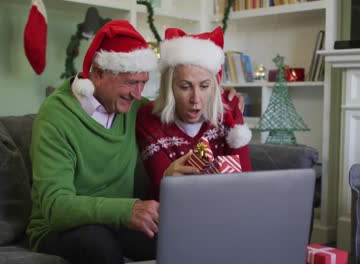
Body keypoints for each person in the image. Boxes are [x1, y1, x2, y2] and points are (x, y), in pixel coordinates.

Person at [27, 20, 242, 264]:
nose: (138, 94)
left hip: (119, 222)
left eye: (143, 83)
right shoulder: (56, 116)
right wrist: (128, 210)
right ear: (98, 73)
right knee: (98, 243)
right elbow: (56, 207)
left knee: (186, 235)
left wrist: (221, 96)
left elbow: (184, 105)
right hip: (60, 229)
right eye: (130, 83)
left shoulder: (133, 109)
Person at [136, 26, 253, 201]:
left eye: (204, 86)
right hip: (174, 214)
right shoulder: (149, 118)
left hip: (225, 210)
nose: (195, 99)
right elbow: (164, 189)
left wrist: (235, 115)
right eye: (185, 86)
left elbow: (244, 181)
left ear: (214, 86)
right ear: (169, 88)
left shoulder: (228, 111)